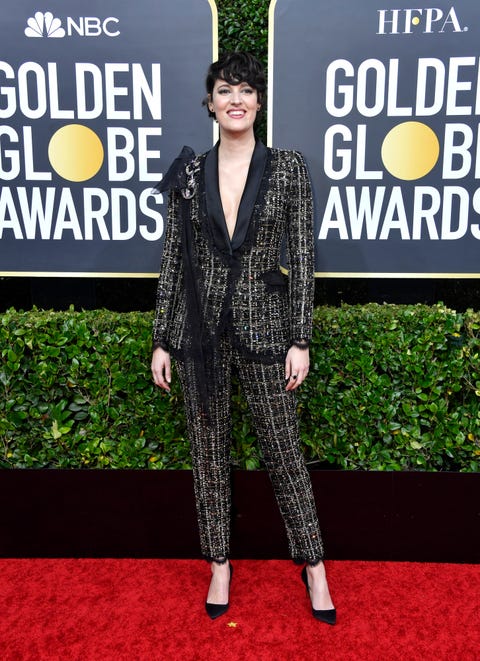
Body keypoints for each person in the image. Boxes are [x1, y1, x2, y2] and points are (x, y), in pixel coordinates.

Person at [151, 51, 335, 624]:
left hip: (266, 333)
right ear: (210, 103)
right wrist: (164, 338)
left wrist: (299, 339)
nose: (236, 99)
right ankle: (219, 565)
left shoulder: (288, 169)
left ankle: (315, 567)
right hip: (202, 335)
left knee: (283, 454)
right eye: (225, 90)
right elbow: (175, 262)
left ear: (259, 102)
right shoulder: (187, 173)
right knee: (208, 456)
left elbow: (303, 258)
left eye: (246, 90)